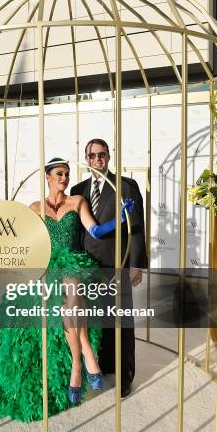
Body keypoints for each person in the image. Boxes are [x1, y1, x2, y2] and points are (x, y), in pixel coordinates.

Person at [0, 158, 133, 424]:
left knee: (73, 286)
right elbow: (22, 241)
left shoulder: (77, 202)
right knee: (64, 290)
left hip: (73, 263)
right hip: (45, 265)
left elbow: (96, 231)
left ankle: (78, 364)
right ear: (48, 177)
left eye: (66, 174)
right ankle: (85, 354)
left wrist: (120, 219)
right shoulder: (34, 208)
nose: (64, 178)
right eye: (59, 174)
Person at [71, 139, 148, 398]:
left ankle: (125, 376)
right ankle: (102, 366)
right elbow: (77, 229)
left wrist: (136, 264)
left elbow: (136, 228)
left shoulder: (126, 186)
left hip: (117, 265)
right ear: (87, 158)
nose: (97, 159)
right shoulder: (78, 188)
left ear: (109, 157)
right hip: (87, 267)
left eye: (102, 154)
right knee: (96, 319)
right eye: (92, 155)